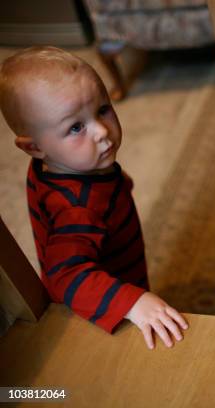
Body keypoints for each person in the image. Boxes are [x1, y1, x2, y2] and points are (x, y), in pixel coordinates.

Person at [0, 46, 187, 349]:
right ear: (33, 147)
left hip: (114, 261)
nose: (101, 131)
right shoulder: (76, 208)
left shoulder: (58, 163)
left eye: (102, 109)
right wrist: (132, 302)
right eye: (76, 127)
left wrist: (116, 182)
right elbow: (66, 274)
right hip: (99, 300)